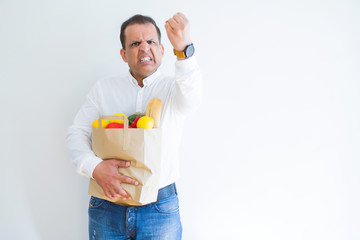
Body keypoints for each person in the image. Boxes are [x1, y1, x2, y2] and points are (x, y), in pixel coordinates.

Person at [66, 12, 202, 239]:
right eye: (135, 43)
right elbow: (77, 133)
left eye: (151, 42)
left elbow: (192, 100)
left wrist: (184, 50)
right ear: (123, 54)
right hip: (107, 206)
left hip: (160, 208)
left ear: (161, 50)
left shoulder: (174, 89)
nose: (144, 48)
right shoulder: (103, 89)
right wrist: (94, 167)